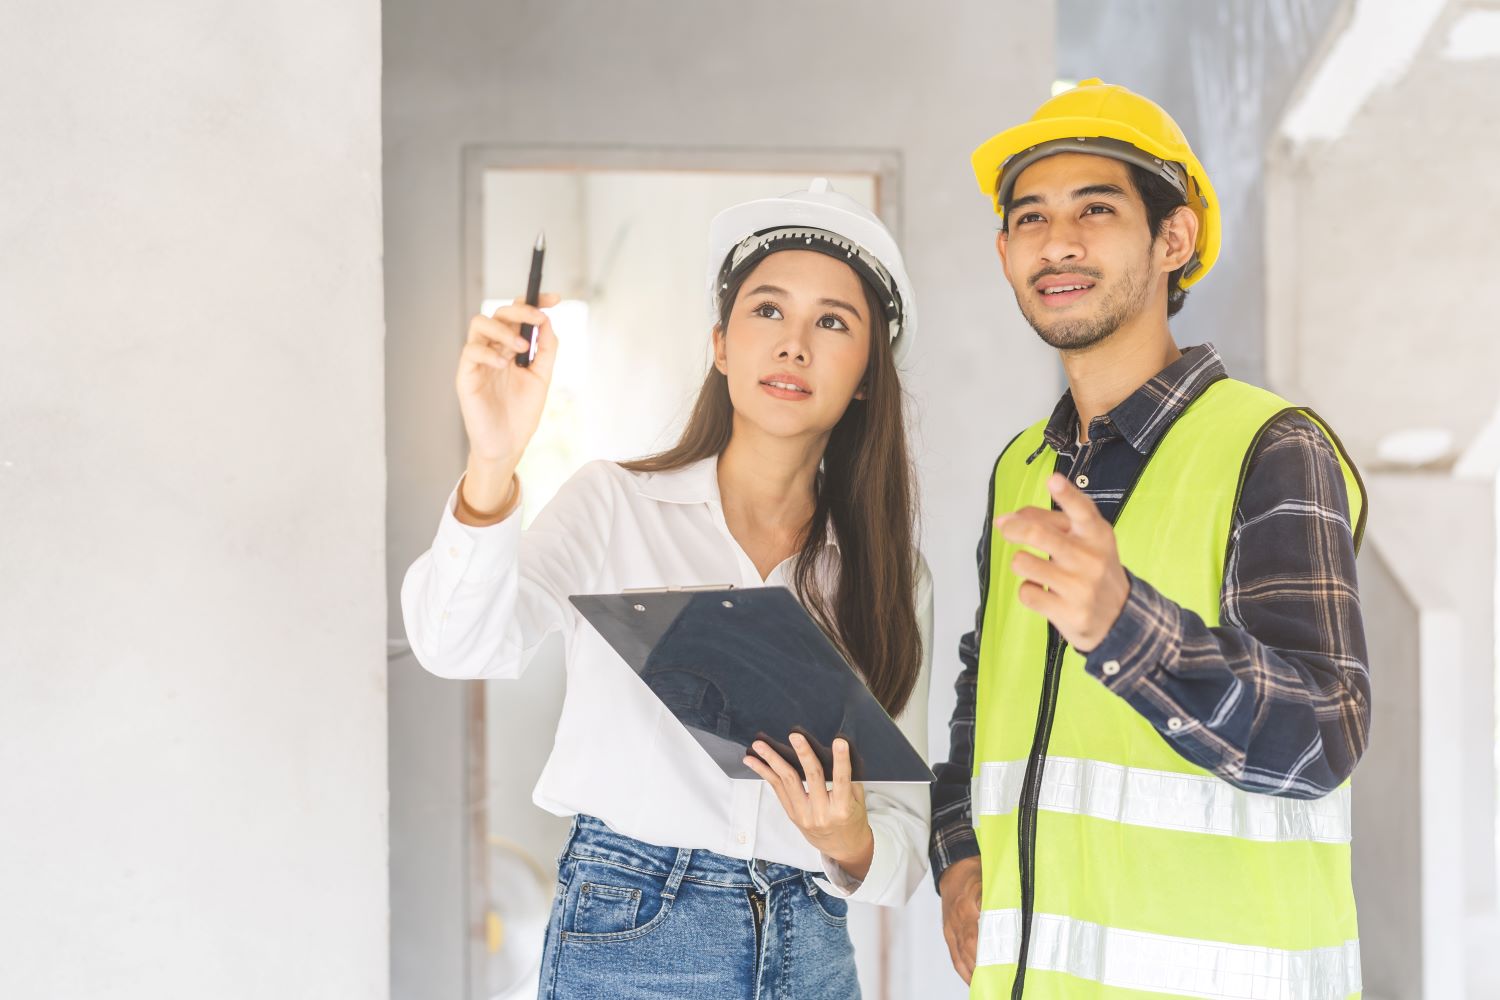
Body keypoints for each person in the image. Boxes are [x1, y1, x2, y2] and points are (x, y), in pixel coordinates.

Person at [402, 179, 932, 999]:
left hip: (811, 945)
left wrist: (850, 836)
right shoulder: (613, 505)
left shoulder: (887, 578)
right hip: (632, 932)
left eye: (833, 321)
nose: (794, 343)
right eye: (767, 310)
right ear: (720, 344)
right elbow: (456, 645)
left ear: (866, 374)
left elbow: (899, 849)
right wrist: (493, 461)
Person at [929, 80, 1370, 1000]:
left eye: (1097, 209)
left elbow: (1324, 731)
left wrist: (1126, 624)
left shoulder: (1271, 446)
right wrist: (957, 850)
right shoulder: (1024, 467)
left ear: (1174, 240)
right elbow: (986, 692)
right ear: (1005, 251)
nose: (1058, 242)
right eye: (1031, 218)